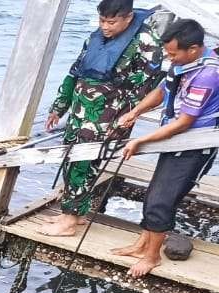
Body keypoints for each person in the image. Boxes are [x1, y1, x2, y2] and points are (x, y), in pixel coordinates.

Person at [37, 0, 166, 238]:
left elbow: (147, 89)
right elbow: (75, 72)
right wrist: (60, 106)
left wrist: (125, 118)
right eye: (102, 21)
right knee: (72, 160)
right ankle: (75, 213)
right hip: (79, 112)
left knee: (84, 162)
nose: (105, 26)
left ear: (128, 18)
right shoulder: (96, 36)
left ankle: (69, 220)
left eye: (111, 22)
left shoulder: (147, 43)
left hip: (109, 115)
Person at [110, 18, 219, 277]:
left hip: (193, 145)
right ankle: (141, 245)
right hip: (175, 141)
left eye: (173, 54)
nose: (170, 59)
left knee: (162, 200)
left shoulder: (208, 75)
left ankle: (151, 257)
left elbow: (184, 122)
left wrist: (142, 140)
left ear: (192, 49)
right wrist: (135, 111)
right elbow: (162, 90)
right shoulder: (184, 63)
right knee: (153, 193)